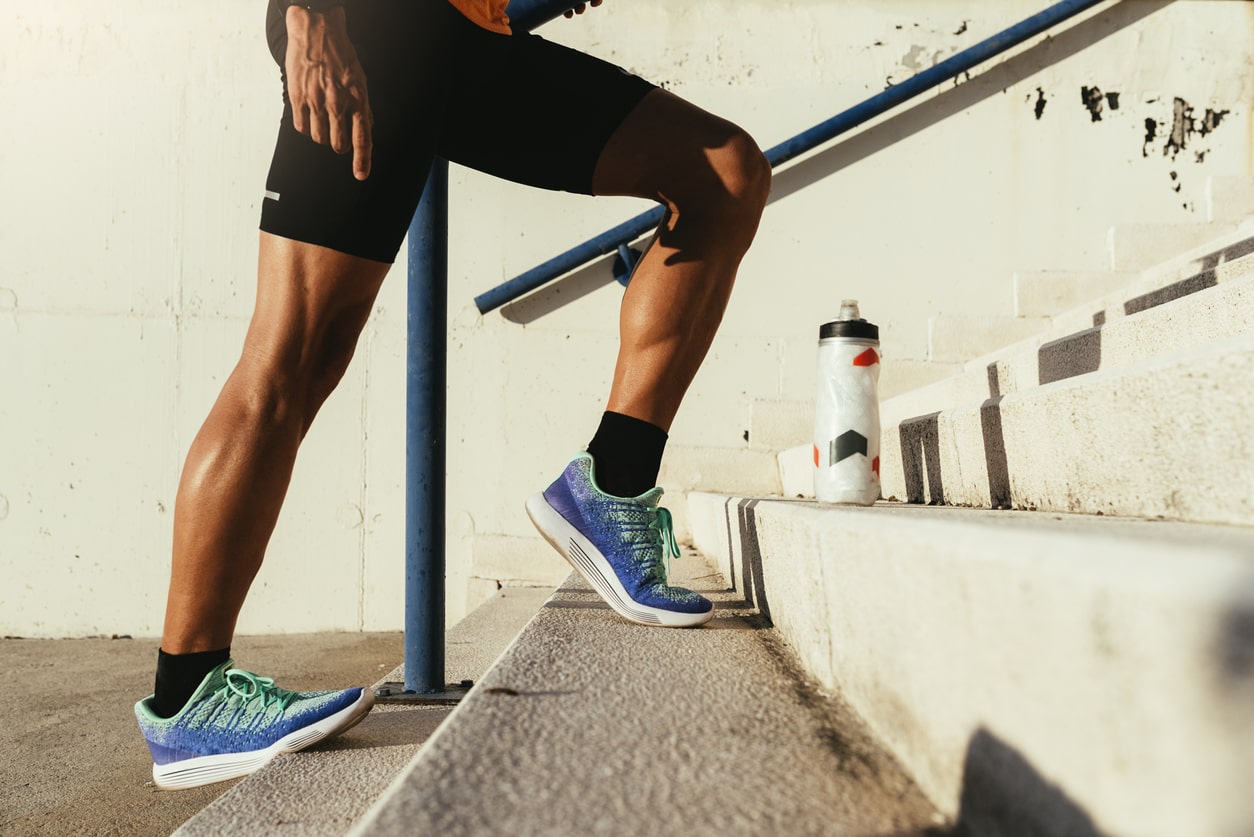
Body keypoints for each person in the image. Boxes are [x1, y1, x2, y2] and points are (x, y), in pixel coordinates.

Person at [134, 0, 770, 790]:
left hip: (459, 40)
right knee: (292, 354)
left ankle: (614, 480)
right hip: (369, 28)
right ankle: (186, 688)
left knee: (724, 172)